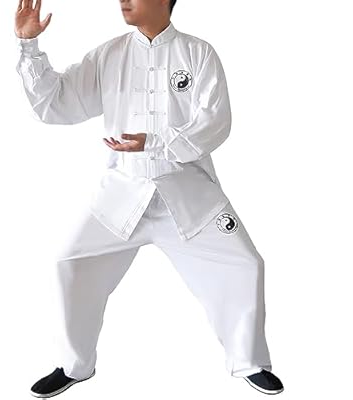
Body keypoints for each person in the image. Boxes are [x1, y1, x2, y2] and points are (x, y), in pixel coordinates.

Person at [15, 0, 284, 397]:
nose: (123, 0)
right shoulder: (109, 55)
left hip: (188, 191)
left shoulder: (198, 53)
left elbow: (216, 122)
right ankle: (75, 365)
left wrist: (156, 142)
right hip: (124, 189)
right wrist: (29, 47)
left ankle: (249, 361)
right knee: (69, 261)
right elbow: (56, 104)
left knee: (245, 264)